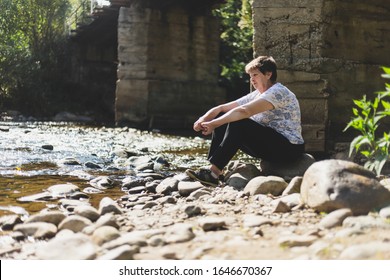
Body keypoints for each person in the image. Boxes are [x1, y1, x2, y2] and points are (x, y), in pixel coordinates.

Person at [186, 56, 305, 187]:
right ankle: (214, 169)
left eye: (255, 75)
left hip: (288, 149)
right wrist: (203, 119)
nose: (252, 79)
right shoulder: (257, 94)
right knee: (225, 115)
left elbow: (244, 111)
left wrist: (214, 124)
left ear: (268, 74)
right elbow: (221, 108)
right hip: (270, 144)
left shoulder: (278, 92)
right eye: (250, 76)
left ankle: (213, 173)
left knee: (239, 121)